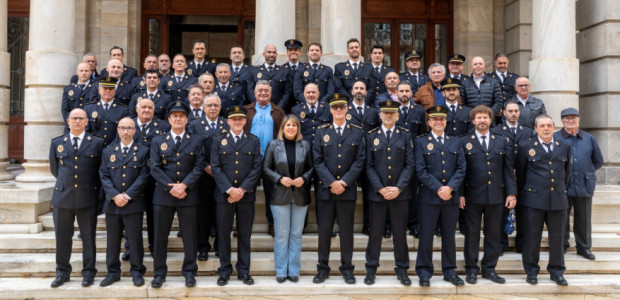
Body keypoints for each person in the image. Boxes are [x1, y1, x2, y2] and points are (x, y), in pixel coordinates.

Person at [149, 101, 206, 288]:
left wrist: (185, 186)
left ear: (186, 119)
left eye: (182, 116)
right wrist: (171, 186)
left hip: (188, 195)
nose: (178, 119)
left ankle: (190, 272)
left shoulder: (196, 140)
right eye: (175, 116)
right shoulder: (158, 140)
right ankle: (159, 273)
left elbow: (199, 166)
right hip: (163, 195)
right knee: (160, 236)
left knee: (190, 236)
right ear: (169, 119)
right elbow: (155, 168)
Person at [459, 105, 517, 285]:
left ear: (491, 120)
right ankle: (471, 269)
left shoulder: (502, 141)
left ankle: (489, 268)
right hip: (472, 196)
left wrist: (512, 193)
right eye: (479, 118)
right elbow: (460, 171)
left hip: (496, 195)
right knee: (472, 234)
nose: (482, 120)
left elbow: (508, 170)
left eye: (485, 117)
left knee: (493, 234)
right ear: (473, 121)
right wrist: (459, 194)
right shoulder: (464, 141)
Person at [312, 93, 365, 285]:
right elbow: (317, 161)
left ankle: (347, 269)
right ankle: (322, 268)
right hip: (325, 192)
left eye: (342, 107)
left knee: (346, 232)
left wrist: (344, 182)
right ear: (330, 110)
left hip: (347, 190)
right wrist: (331, 182)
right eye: (335, 107)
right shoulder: (321, 132)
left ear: (347, 108)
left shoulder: (357, 132)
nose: (339, 110)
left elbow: (360, 161)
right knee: (324, 232)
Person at [48, 108, 104, 288]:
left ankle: (88, 273)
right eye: (74, 118)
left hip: (87, 197)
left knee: (88, 238)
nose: (78, 121)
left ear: (87, 121)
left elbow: (100, 171)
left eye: (81, 118)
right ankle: (62, 272)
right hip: (63, 197)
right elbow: (55, 169)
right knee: (62, 238)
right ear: (68, 121)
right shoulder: (57, 143)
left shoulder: (96, 143)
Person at [364, 100, 415, 286]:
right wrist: (380, 188)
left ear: (397, 115)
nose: (388, 115)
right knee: (375, 233)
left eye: (391, 112)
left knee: (400, 233)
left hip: (400, 195)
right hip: (378, 194)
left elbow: (410, 165)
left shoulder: (405, 136)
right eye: (385, 112)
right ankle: (371, 269)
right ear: (380, 115)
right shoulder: (371, 136)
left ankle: (402, 269)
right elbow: (368, 166)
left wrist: (398, 188)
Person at [516, 114, 571, 286]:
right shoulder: (526, 147)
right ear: (535, 129)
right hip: (534, 201)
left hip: (558, 200)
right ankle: (531, 272)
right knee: (532, 238)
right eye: (542, 126)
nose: (546, 128)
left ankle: (557, 271)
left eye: (549, 125)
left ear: (554, 128)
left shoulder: (564, 146)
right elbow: (520, 174)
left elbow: (567, 172)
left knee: (558, 238)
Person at [414, 105, 466, 287]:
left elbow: (461, 168)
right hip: (429, 199)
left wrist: (450, 188)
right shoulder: (420, 142)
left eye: (442, 119)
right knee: (426, 236)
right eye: (435, 119)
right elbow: (420, 171)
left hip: (450, 198)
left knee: (449, 236)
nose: (438, 122)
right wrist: (439, 189)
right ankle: (424, 271)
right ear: (429, 122)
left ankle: (449, 270)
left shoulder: (455, 142)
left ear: (446, 122)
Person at [211, 106, 263, 286]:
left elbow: (257, 167)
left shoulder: (253, 141)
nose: (237, 121)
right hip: (224, 196)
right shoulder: (218, 140)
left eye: (240, 119)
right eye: (234, 119)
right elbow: (215, 167)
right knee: (223, 234)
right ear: (228, 121)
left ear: (245, 121)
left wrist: (242, 190)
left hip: (246, 196)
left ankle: (243, 271)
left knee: (244, 234)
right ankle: (224, 270)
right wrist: (229, 189)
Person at [98, 117, 149, 287]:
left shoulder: (142, 151)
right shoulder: (108, 151)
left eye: (129, 128)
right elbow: (103, 175)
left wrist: (127, 196)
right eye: (123, 128)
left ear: (135, 130)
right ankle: (113, 272)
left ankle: (137, 271)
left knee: (135, 239)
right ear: (118, 130)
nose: (126, 131)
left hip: (133, 203)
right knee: (112, 240)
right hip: (113, 203)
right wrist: (114, 195)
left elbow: (144, 176)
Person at [263, 114, 314, 283]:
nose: (291, 128)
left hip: (300, 195)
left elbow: (312, 167)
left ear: (298, 128)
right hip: (279, 195)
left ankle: (293, 270)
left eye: (294, 125)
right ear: (282, 128)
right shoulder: (273, 145)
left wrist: (304, 179)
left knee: (296, 235)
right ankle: (280, 271)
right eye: (288, 125)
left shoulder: (305, 145)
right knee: (282, 235)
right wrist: (279, 178)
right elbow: (266, 168)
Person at [554, 107, 603, 260]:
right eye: (567, 118)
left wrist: (584, 171)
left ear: (579, 119)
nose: (570, 121)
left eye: (573, 118)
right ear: (562, 121)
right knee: (561, 218)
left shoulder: (589, 138)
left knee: (584, 218)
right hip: (562, 185)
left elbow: (598, 160)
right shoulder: (555, 137)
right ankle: (561, 245)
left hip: (584, 183)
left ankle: (584, 247)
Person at [189, 94, 229, 261]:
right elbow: (192, 150)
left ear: (220, 108)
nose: (213, 108)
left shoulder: (227, 124)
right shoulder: (194, 126)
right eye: (209, 105)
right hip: (202, 177)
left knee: (222, 214)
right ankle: (203, 246)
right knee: (202, 214)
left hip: (223, 177)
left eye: (216, 105)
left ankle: (220, 245)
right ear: (203, 107)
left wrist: (218, 169)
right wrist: (205, 166)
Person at [244, 80, 286, 237]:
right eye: (260, 90)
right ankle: (244, 226)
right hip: (250, 160)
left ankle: (272, 224)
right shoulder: (246, 111)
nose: (263, 93)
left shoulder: (278, 112)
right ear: (254, 93)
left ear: (271, 93)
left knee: (272, 194)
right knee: (247, 193)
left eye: (266, 91)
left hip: (271, 160)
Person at [491, 101, 534, 253]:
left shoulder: (528, 132)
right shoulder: (496, 130)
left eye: (516, 111)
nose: (513, 114)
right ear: (504, 113)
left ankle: (521, 244)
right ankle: (501, 244)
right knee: (502, 212)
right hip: (503, 177)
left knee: (523, 211)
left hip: (524, 178)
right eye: (510, 111)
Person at [346, 81, 380, 236]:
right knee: (347, 195)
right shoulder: (345, 109)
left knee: (369, 194)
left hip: (369, 159)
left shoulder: (373, 112)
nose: (359, 91)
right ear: (351, 91)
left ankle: (368, 225)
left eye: (362, 88)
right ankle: (346, 226)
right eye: (356, 88)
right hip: (350, 159)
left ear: (366, 92)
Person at [394, 81, 426, 238]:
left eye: (407, 90)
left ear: (411, 93)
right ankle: (392, 225)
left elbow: (421, 136)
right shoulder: (391, 110)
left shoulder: (419, 111)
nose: (404, 93)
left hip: (412, 159)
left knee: (413, 193)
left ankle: (414, 224)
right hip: (395, 159)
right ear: (397, 93)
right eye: (401, 91)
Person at [84, 77, 130, 148]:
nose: (108, 91)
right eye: (105, 88)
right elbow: (86, 131)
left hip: (114, 149)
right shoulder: (89, 108)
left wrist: (112, 147)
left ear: (115, 91)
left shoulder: (123, 110)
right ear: (99, 90)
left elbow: (123, 132)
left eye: (111, 89)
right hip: (94, 148)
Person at [247, 44, 292, 111]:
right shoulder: (254, 71)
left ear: (276, 55)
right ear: (264, 54)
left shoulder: (284, 71)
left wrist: (278, 109)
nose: (271, 55)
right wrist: (258, 106)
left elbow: (287, 93)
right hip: (258, 110)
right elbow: (250, 91)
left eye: (274, 52)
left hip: (278, 110)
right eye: (269, 52)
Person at [334, 38, 375, 103]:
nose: (354, 49)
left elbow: (372, 88)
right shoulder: (340, 67)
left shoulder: (369, 68)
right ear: (347, 51)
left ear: (360, 49)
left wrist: (363, 101)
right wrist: (352, 102)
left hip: (365, 105)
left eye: (356, 47)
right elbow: (339, 88)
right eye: (351, 48)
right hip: (347, 104)